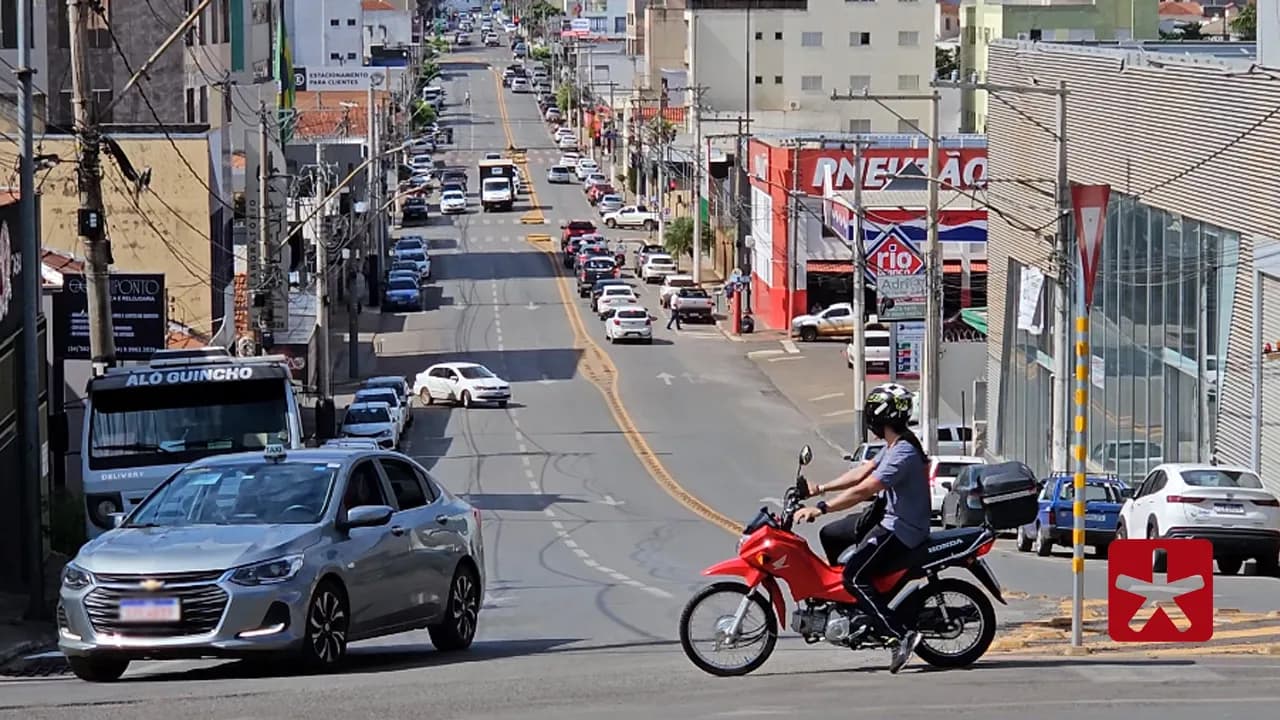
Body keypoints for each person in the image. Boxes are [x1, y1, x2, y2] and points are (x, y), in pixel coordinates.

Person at [794, 382, 931, 674]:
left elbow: (865, 488)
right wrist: (819, 488)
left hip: (901, 530)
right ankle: (853, 606)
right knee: (831, 534)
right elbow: (862, 471)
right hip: (888, 521)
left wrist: (821, 508)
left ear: (879, 417)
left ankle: (899, 635)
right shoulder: (896, 444)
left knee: (853, 576)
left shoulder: (903, 453)